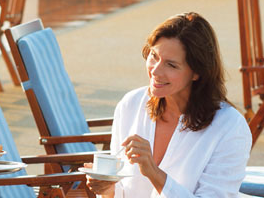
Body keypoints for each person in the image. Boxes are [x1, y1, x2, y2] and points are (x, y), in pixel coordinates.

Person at [85, 12, 251, 197]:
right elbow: (122, 191)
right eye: (154, 56)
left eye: (171, 65)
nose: (156, 71)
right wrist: (108, 190)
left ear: (197, 72)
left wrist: (154, 173)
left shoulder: (229, 127)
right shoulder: (131, 105)